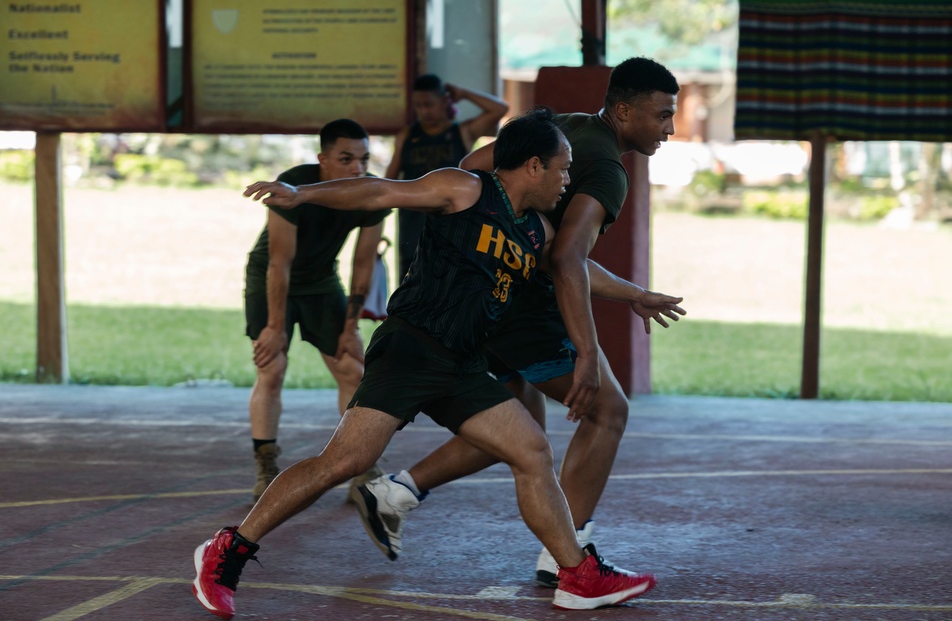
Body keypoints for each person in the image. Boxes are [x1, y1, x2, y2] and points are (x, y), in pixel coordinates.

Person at [192, 109, 677, 618]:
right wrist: (303, 195)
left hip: (460, 362)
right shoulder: (464, 190)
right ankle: (228, 549)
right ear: (533, 166)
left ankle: (576, 576)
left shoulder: (535, 230)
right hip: (413, 348)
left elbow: (576, 267)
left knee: (531, 448)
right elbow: (381, 191)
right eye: (562, 168)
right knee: (344, 463)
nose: (567, 180)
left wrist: (635, 295)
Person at [354, 57, 686, 586]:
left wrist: (631, 293)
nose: (669, 128)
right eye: (662, 115)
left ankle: (394, 492)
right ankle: (567, 555)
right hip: (527, 312)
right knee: (608, 412)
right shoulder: (607, 170)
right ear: (624, 111)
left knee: (516, 419)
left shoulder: (561, 128)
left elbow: (474, 162)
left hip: (488, 296)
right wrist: (584, 352)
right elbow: (566, 260)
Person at [242, 119, 389, 504]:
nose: (357, 168)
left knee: (351, 369)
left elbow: (362, 262)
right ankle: (266, 464)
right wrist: (275, 326)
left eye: (363, 159)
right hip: (272, 277)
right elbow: (279, 264)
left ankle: (360, 466)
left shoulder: (371, 193)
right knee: (271, 368)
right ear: (323, 159)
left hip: (322, 281)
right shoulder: (292, 184)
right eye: (345, 159)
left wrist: (350, 326)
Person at [387, 74, 509, 277]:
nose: (423, 111)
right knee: (410, 279)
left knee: (453, 278)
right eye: (418, 105)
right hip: (413, 221)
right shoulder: (407, 136)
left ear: (444, 101)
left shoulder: (462, 132)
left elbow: (500, 109)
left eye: (429, 104)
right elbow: (389, 180)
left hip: (456, 220)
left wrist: (463, 93)